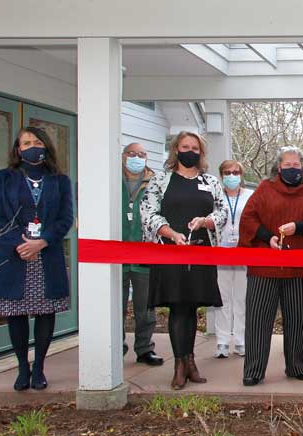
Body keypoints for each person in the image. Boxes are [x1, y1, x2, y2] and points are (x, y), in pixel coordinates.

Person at [0, 127, 74, 391]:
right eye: (26, 142)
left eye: (36, 141)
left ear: (45, 146)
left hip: (47, 254)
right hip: (14, 255)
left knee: (46, 311)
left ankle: (40, 368)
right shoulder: (4, 178)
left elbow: (65, 219)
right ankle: (23, 367)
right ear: (18, 149)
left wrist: (42, 241)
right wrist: (22, 245)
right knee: (16, 313)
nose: (32, 146)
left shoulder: (59, 180)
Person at [139, 131, 229, 390]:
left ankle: (190, 361)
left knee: (191, 307)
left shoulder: (210, 181)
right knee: (178, 307)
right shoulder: (161, 180)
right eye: (185, 146)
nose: (190, 151)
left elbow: (221, 211)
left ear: (201, 153)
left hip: (201, 252)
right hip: (170, 251)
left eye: (195, 147)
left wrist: (205, 221)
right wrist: (170, 233)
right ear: (176, 149)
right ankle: (179, 364)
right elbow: (148, 212)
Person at [237, 146, 303, 386]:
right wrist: (268, 236)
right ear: (278, 168)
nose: (292, 169)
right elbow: (248, 218)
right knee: (258, 319)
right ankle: (254, 370)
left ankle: (297, 366)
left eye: (296, 165)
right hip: (264, 266)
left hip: (299, 266)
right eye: (287, 166)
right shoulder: (264, 188)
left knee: (298, 319)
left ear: (302, 167)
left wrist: (299, 227)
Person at [120, 142, 163, 366]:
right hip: (115, 252)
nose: (136, 158)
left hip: (145, 252)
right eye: (132, 154)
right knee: (114, 306)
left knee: (145, 307)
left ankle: (145, 349)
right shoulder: (109, 179)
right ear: (123, 156)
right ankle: (115, 347)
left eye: (141, 154)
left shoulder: (154, 182)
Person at [213, 160, 254, 358]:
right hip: (220, 251)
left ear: (241, 174)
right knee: (222, 298)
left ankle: (240, 340)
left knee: (241, 298)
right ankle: (222, 341)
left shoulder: (250, 196)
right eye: (227, 172)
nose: (232, 175)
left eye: (236, 172)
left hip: (243, 251)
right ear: (221, 175)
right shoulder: (215, 196)